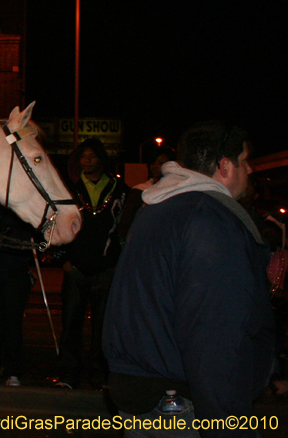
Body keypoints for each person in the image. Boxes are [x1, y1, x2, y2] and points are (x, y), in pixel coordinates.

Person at [103, 121, 275, 437]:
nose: (249, 169)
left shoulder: (158, 207)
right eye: (244, 160)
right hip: (182, 405)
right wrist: (226, 423)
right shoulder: (210, 220)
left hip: (141, 395)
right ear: (225, 165)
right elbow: (214, 332)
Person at [54, 138, 127, 390]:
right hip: (75, 270)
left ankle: (101, 377)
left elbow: (125, 229)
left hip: (106, 270)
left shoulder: (119, 189)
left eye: (92, 156)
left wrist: (117, 262)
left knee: (104, 329)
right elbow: (56, 225)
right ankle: (68, 376)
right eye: (83, 156)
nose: (87, 160)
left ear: (101, 159)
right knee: (70, 326)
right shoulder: (70, 189)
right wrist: (63, 261)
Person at [0, 205, 35, 387]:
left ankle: (13, 371)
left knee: (12, 324)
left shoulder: (21, 213)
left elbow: (33, 236)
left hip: (15, 273)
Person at [117, 146, 176, 241]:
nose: (155, 166)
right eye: (152, 163)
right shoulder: (139, 191)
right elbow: (125, 225)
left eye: (161, 163)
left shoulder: (177, 191)